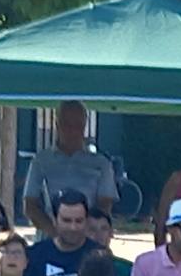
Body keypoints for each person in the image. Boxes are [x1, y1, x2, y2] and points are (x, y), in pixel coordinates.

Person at [22, 101, 116, 235]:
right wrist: (55, 234)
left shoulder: (101, 164)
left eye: (77, 125)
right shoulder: (40, 161)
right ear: (57, 124)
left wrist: (86, 232)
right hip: (50, 238)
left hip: (89, 238)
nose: (72, 130)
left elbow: (105, 205)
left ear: (84, 126)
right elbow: (30, 205)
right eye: (67, 124)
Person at [24, 190, 101, 276]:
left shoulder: (99, 255)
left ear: (86, 221)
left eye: (79, 221)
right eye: (67, 221)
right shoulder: (34, 255)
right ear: (55, 220)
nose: (73, 227)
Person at [85, 207, 134, 276]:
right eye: (92, 230)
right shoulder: (73, 265)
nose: (98, 235)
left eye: (104, 229)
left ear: (111, 233)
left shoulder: (128, 269)